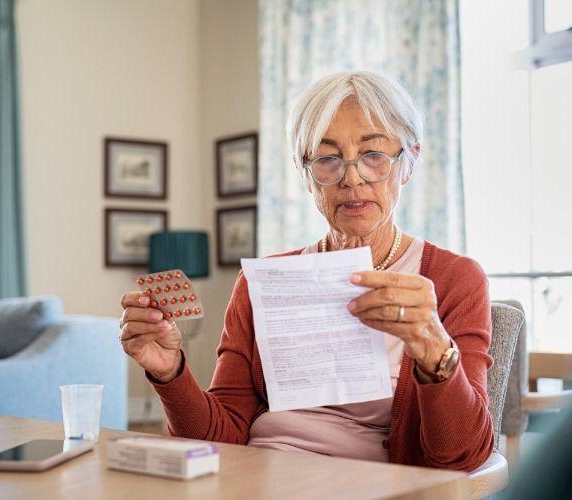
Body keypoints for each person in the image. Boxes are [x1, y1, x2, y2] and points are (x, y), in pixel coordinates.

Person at [119, 71, 493, 471]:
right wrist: (170, 373)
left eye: (373, 156)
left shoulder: (455, 280)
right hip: (254, 478)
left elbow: (463, 456)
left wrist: (435, 350)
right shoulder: (261, 282)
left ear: (408, 163)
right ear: (306, 173)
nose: (351, 177)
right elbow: (219, 440)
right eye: (328, 159)